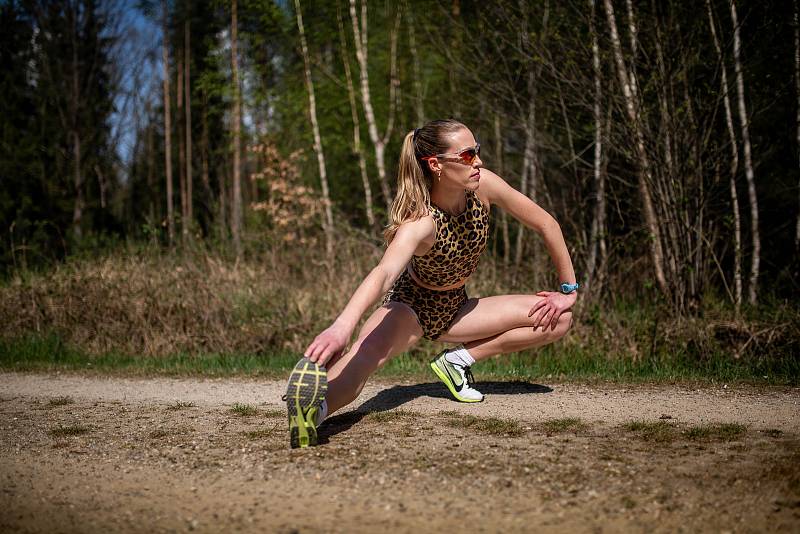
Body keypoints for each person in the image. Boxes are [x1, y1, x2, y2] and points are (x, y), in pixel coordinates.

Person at [284, 118, 578, 448]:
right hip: (410, 306)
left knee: (559, 319)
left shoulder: (484, 187)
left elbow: (546, 224)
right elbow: (383, 274)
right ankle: (313, 412)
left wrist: (568, 291)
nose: (478, 161)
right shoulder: (420, 223)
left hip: (455, 306)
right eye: (467, 155)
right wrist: (341, 326)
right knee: (363, 360)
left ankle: (458, 361)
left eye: (477, 151)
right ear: (436, 165)